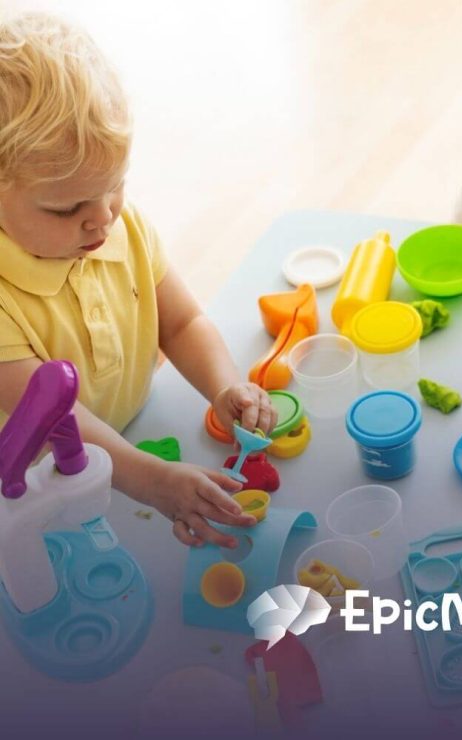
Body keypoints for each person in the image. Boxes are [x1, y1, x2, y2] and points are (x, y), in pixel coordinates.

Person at [0, 12, 277, 549]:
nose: (102, 218)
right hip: (38, 491)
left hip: (132, 436)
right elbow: (59, 419)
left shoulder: (116, 227)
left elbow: (182, 320)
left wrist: (224, 386)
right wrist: (150, 479)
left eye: (115, 186)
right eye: (67, 207)